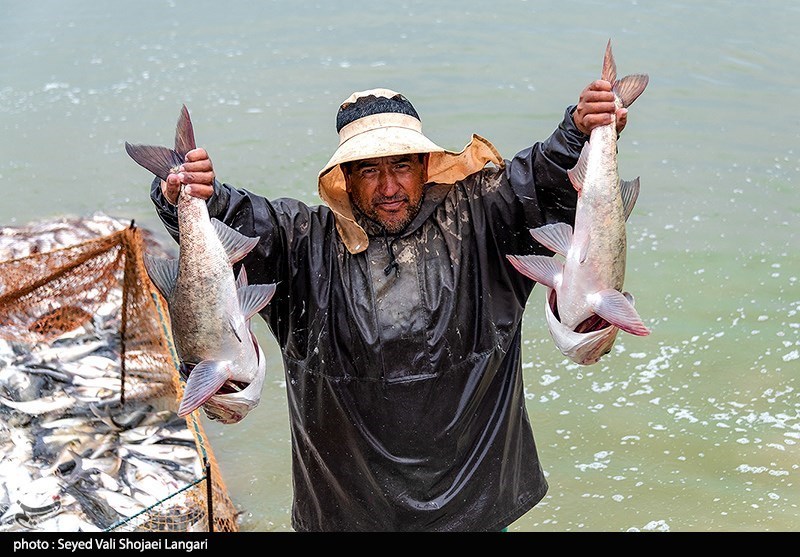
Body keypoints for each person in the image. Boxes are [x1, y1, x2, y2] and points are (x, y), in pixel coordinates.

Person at [150, 80, 629, 532]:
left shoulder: (484, 217)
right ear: (344, 178)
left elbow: (540, 182)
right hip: (346, 514)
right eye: (369, 170)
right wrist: (182, 195)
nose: (388, 187)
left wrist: (580, 130)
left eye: (401, 165)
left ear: (425, 166)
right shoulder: (301, 245)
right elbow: (231, 223)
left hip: (478, 506)